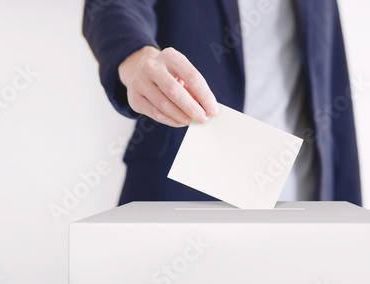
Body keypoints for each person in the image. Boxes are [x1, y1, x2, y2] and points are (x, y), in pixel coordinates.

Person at [82, 0, 361, 206]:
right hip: (183, 190)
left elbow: (333, 80)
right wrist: (139, 57)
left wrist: (352, 210)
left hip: (303, 196)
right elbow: (112, 6)